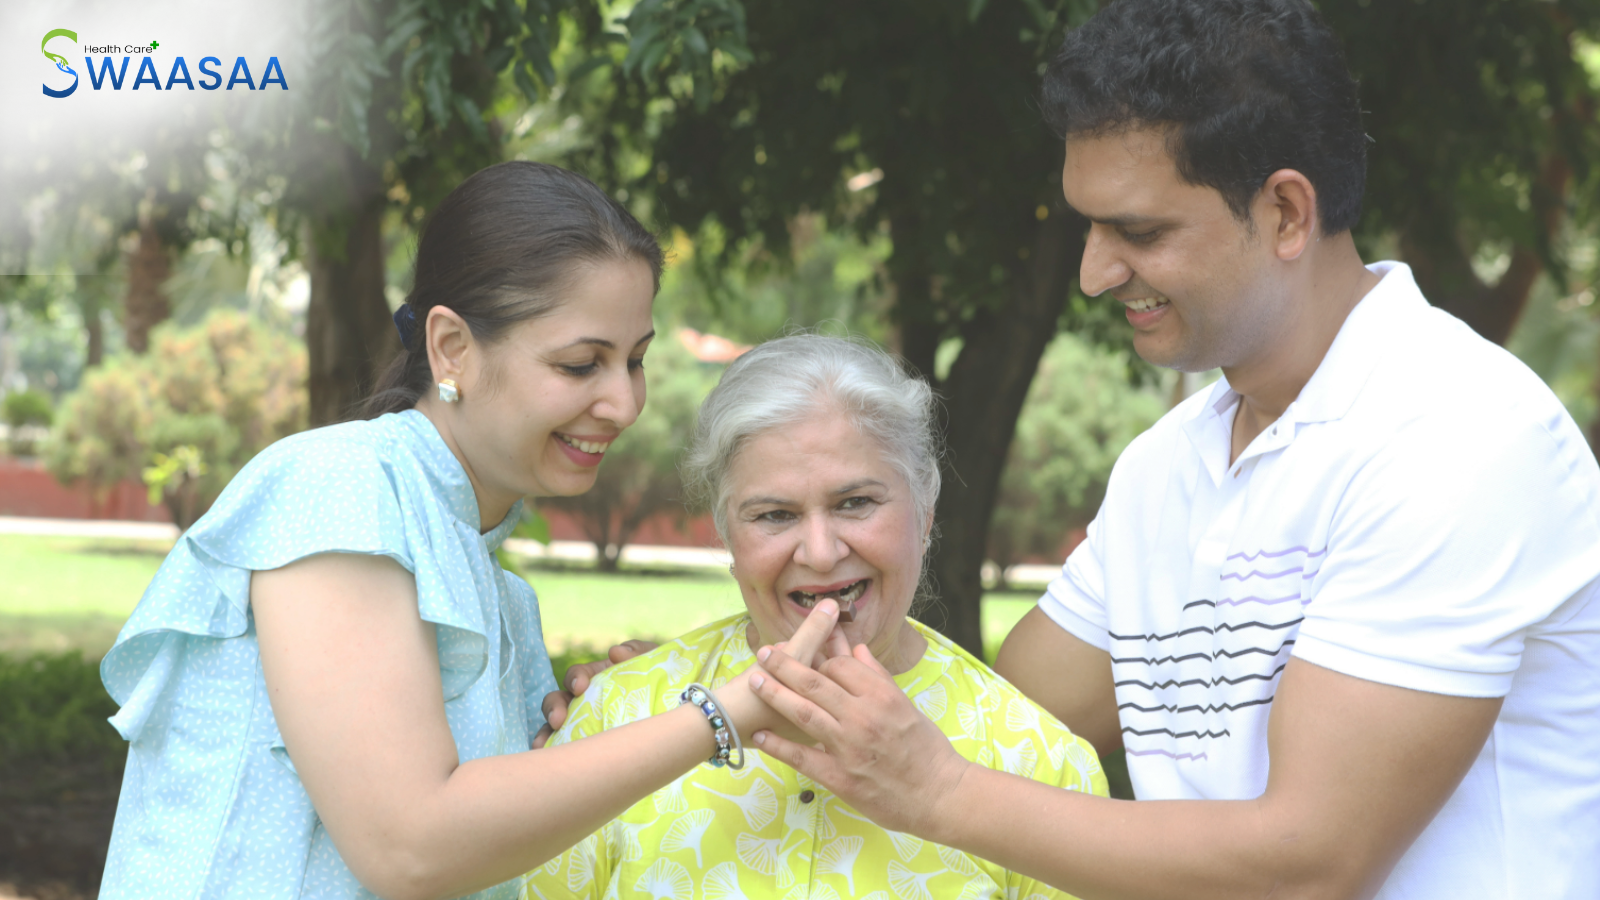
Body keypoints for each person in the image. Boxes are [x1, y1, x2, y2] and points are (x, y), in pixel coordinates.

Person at [556, 2, 1600, 898]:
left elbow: (1308, 864)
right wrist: (679, 700)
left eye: (1137, 231)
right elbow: (993, 711)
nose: (1096, 272)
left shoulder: (1453, 435)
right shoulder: (1171, 463)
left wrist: (937, 794)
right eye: (1088, 228)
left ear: (1284, 211)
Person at [95, 161, 840, 900]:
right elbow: (411, 848)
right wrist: (718, 713)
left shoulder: (497, 591)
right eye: (582, 364)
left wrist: (620, 717)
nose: (623, 402)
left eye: (635, 361)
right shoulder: (340, 489)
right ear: (451, 348)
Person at [521, 334, 1107, 899]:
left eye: (856, 503)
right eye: (774, 515)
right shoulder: (617, 716)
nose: (821, 553)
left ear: (926, 511)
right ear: (728, 537)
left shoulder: (1041, 762)